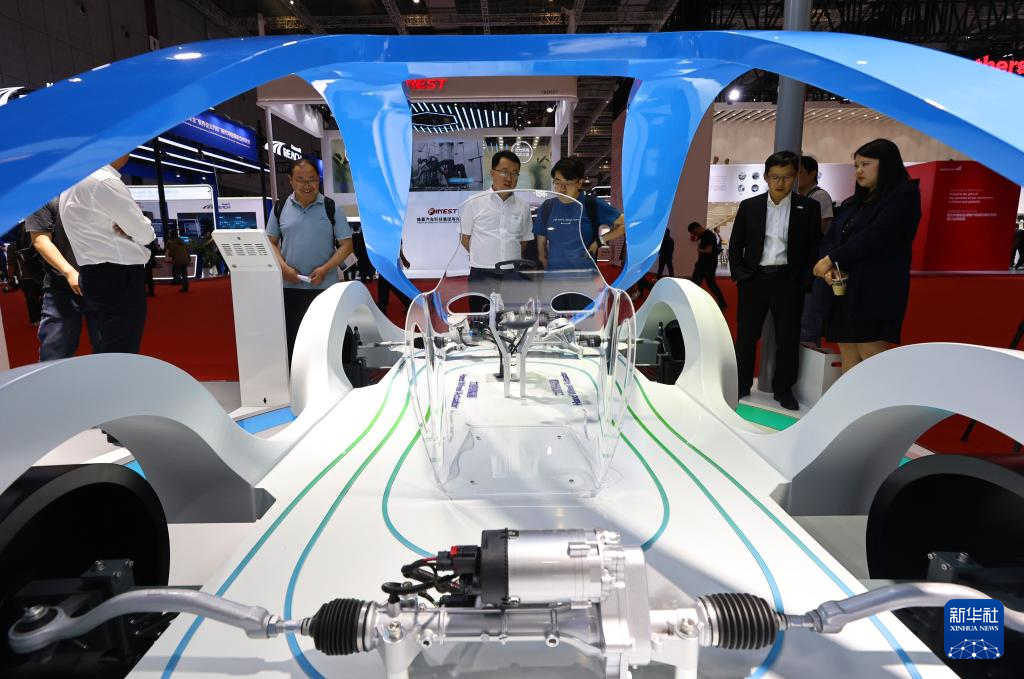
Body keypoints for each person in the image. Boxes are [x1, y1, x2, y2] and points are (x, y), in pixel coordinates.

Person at [813, 138, 921, 373]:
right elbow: (831, 237)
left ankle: (882, 398)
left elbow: (875, 236)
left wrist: (832, 260)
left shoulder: (903, 197)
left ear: (886, 164)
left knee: (871, 352)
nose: (859, 171)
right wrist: (831, 266)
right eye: (856, 165)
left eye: (866, 164)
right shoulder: (853, 203)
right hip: (843, 288)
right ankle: (849, 398)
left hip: (874, 288)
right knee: (848, 350)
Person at [728, 150, 821, 410]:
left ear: (795, 177)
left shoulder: (808, 208)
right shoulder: (750, 206)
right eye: (775, 177)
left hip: (788, 281)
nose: (781, 182)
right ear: (766, 176)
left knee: (788, 338)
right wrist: (740, 274)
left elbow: (814, 247)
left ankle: (784, 389)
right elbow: (735, 245)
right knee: (746, 336)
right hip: (754, 279)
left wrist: (803, 281)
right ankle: (741, 383)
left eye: (787, 177)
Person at [59, 154, 155, 354]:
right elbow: (145, 234)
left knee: (106, 344)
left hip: (92, 273)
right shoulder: (105, 182)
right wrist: (137, 226)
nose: (128, 155)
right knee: (122, 348)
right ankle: (116, 376)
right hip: (119, 275)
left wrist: (129, 227)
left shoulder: (71, 184)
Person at [267, 158, 354, 364]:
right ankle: (297, 380)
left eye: (312, 179)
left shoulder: (331, 208)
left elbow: (347, 245)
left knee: (328, 338)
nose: (307, 185)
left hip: (325, 288)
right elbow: (270, 242)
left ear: (319, 180)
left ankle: (332, 376)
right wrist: (284, 268)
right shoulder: (280, 208)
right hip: (290, 288)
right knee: (294, 339)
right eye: (301, 180)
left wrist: (325, 268)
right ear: (291, 180)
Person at [460, 150, 535, 312]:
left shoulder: (523, 206)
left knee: (513, 320)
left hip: (512, 274)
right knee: (480, 320)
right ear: (492, 172)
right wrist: (484, 255)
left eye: (515, 173)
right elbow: (465, 238)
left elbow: (524, 241)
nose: (509, 178)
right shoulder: (474, 202)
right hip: (481, 273)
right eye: (504, 172)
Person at [25, 197, 99, 360]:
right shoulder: (44, 197)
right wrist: (69, 272)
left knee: (109, 350)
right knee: (55, 353)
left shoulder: (97, 191)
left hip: (102, 282)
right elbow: (40, 240)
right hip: (61, 287)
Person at [533, 156, 624, 272]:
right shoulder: (547, 207)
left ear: (579, 183)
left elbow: (624, 224)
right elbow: (541, 249)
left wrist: (598, 242)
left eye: (568, 183)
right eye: (557, 182)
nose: (562, 189)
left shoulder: (591, 204)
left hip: (585, 275)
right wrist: (548, 272)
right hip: (554, 275)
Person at [797, 155, 836, 345]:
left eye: (800, 172)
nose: (795, 177)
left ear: (812, 174)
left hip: (814, 264)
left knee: (809, 316)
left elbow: (819, 232)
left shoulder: (820, 196)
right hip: (802, 263)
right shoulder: (800, 197)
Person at [687, 221, 726, 309]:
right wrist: (699, 260)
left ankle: (722, 303)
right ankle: (692, 302)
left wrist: (699, 250)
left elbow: (709, 251)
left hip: (708, 265)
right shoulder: (703, 236)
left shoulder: (708, 235)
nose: (694, 234)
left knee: (710, 284)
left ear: (697, 228)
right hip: (703, 264)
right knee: (696, 283)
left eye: (694, 232)